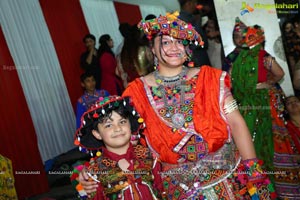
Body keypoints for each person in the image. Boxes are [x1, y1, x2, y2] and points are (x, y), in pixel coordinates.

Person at [79, 12, 276, 199]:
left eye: (180, 42)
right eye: (165, 42)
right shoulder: (135, 92)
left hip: (230, 180)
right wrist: (94, 172)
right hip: (177, 189)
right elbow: (125, 141)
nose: (174, 47)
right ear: (152, 49)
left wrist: (254, 172)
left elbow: (236, 123)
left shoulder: (210, 78)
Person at [72, 96, 162, 199]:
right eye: (109, 125)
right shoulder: (96, 172)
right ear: (97, 134)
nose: (118, 128)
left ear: (130, 125)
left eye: (122, 122)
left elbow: (162, 190)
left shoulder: (148, 156)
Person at [116, 24, 154, 88]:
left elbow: (118, 72)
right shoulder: (144, 49)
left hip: (133, 87)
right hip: (148, 83)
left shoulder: (122, 53)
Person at [178, 0, 211, 67]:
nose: (196, 5)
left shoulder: (190, 18)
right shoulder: (184, 20)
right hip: (197, 60)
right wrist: (197, 24)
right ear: (188, 3)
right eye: (194, 2)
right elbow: (194, 44)